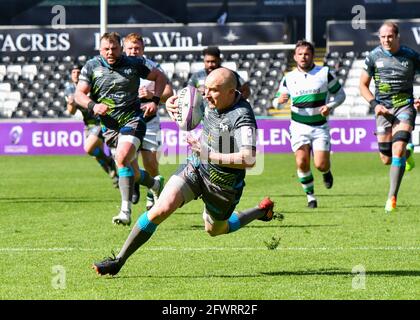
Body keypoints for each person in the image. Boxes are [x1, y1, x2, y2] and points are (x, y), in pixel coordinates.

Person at [92, 67, 275, 276]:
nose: (206, 94)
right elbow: (185, 102)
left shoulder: (242, 117)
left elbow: (249, 159)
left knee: (215, 230)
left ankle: (261, 211)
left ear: (231, 92)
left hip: (222, 183)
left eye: (213, 91)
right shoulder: (210, 97)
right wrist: (171, 104)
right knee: (161, 208)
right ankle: (118, 260)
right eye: (206, 89)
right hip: (196, 166)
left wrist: (210, 155)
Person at [75, 32, 167, 226]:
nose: (110, 52)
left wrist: (155, 101)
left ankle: (125, 211)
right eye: (106, 49)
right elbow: (79, 95)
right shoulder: (92, 66)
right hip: (109, 125)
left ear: (120, 48)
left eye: (114, 48)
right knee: (130, 171)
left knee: (122, 157)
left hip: (133, 119)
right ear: (100, 49)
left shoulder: (134, 63)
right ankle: (155, 184)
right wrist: (93, 106)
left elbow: (160, 77)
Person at [274, 40, 346, 209]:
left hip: (320, 127)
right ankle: (311, 198)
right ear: (295, 56)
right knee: (302, 163)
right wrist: (279, 101)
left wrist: (330, 106)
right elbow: (276, 102)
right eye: (300, 54)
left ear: (312, 55)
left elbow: (341, 95)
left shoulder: (325, 73)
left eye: (306, 54)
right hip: (298, 127)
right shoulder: (289, 78)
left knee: (321, 164)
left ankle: (326, 172)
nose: (303, 57)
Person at [360, 21, 420, 213]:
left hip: (404, 107)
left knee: (398, 148)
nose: (386, 40)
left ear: (397, 37)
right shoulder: (373, 57)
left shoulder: (410, 56)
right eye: (383, 37)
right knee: (386, 159)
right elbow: (362, 85)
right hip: (383, 111)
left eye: (390, 36)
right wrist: (375, 105)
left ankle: (391, 197)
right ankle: (408, 155)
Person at [123, 33, 174, 210]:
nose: (133, 51)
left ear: (143, 50)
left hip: (149, 121)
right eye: (130, 48)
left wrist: (152, 96)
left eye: (137, 48)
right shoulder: (119, 66)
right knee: (126, 158)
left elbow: (169, 92)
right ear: (124, 49)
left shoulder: (152, 67)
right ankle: (134, 183)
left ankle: (152, 190)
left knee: (151, 164)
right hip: (127, 120)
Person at [65, 65, 118, 187]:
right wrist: (71, 103)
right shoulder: (69, 89)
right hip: (88, 125)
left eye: (78, 72)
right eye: (73, 72)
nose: (76, 74)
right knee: (96, 154)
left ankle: (111, 163)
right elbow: (71, 112)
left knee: (88, 148)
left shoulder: (90, 85)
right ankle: (115, 176)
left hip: (101, 121)